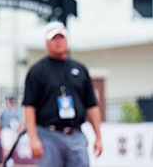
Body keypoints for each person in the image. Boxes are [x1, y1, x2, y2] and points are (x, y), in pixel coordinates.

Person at [22, 22, 103, 167]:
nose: (58, 42)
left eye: (61, 38)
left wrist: (98, 136)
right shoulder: (37, 71)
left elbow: (92, 105)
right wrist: (33, 138)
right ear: (47, 43)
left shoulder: (80, 70)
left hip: (75, 134)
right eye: (54, 39)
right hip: (49, 135)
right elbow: (29, 107)